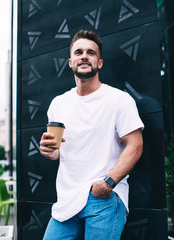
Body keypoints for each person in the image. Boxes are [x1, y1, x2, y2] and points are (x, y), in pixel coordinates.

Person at [39, 30, 144, 240]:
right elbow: (57, 152)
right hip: (67, 200)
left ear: (100, 63)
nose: (84, 56)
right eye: (78, 52)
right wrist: (48, 151)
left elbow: (135, 145)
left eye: (91, 52)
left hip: (103, 198)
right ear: (70, 62)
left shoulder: (119, 100)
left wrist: (108, 183)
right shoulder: (58, 104)